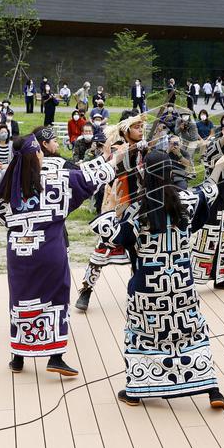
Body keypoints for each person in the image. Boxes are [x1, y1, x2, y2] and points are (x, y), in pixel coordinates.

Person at [90, 149, 224, 407]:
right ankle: (212, 389)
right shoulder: (186, 200)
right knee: (193, 330)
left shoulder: (138, 210)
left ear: (143, 172)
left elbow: (115, 238)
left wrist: (110, 211)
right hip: (182, 284)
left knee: (143, 333)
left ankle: (138, 388)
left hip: (148, 287)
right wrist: (218, 168)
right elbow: (209, 191)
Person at [0, 134, 119, 377]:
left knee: (21, 301)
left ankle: (19, 356)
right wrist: (114, 160)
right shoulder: (56, 180)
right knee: (54, 299)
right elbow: (89, 180)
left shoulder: (9, 185)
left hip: (19, 254)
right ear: (36, 154)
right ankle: (55, 357)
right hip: (49, 250)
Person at [76, 113, 148, 311]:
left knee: (140, 251)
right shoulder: (118, 148)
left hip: (140, 206)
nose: (141, 130)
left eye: (142, 126)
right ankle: (86, 289)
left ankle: (137, 292)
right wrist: (135, 149)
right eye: (137, 127)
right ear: (126, 131)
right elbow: (120, 161)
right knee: (102, 249)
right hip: (118, 207)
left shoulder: (145, 149)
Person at [192, 116, 224, 291]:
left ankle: (220, 278)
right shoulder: (212, 146)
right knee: (207, 237)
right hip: (212, 198)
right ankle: (195, 276)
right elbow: (211, 158)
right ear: (223, 130)